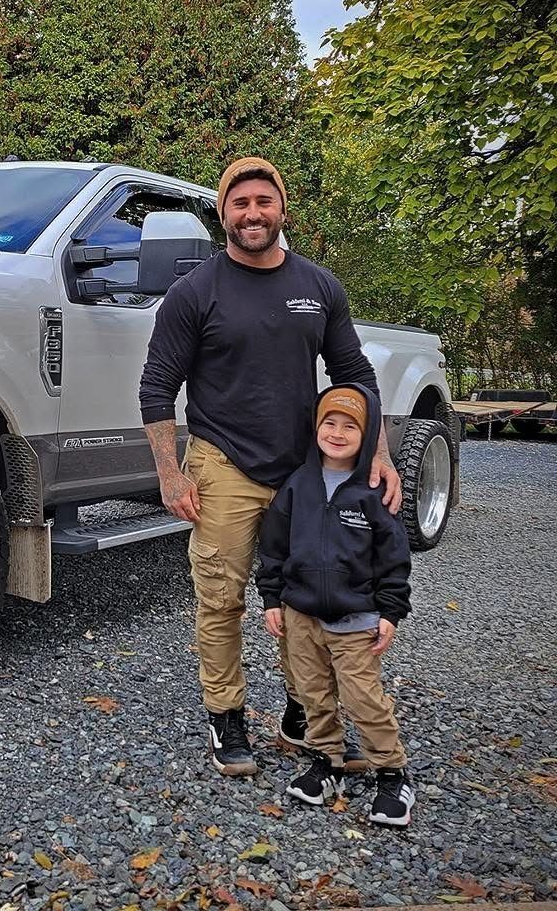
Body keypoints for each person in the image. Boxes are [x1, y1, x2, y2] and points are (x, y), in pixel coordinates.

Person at [139, 156, 402, 777]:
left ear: (282, 209)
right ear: (222, 213)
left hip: (302, 472)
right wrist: (170, 473)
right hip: (222, 463)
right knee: (222, 598)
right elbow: (157, 387)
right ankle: (225, 717)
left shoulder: (318, 286)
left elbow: (354, 374)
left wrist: (379, 455)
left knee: (306, 598)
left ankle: (302, 714)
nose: (252, 213)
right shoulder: (194, 292)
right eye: (240, 203)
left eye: (263, 201)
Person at [256, 384, 414, 826]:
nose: (338, 433)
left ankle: (392, 773)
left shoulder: (373, 491)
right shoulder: (297, 485)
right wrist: (272, 598)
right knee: (313, 695)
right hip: (300, 616)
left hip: (356, 620)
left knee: (364, 698)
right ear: (316, 427)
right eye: (330, 422)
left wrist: (390, 612)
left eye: (350, 426)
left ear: (368, 435)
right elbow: (273, 549)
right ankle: (327, 761)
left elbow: (394, 558)